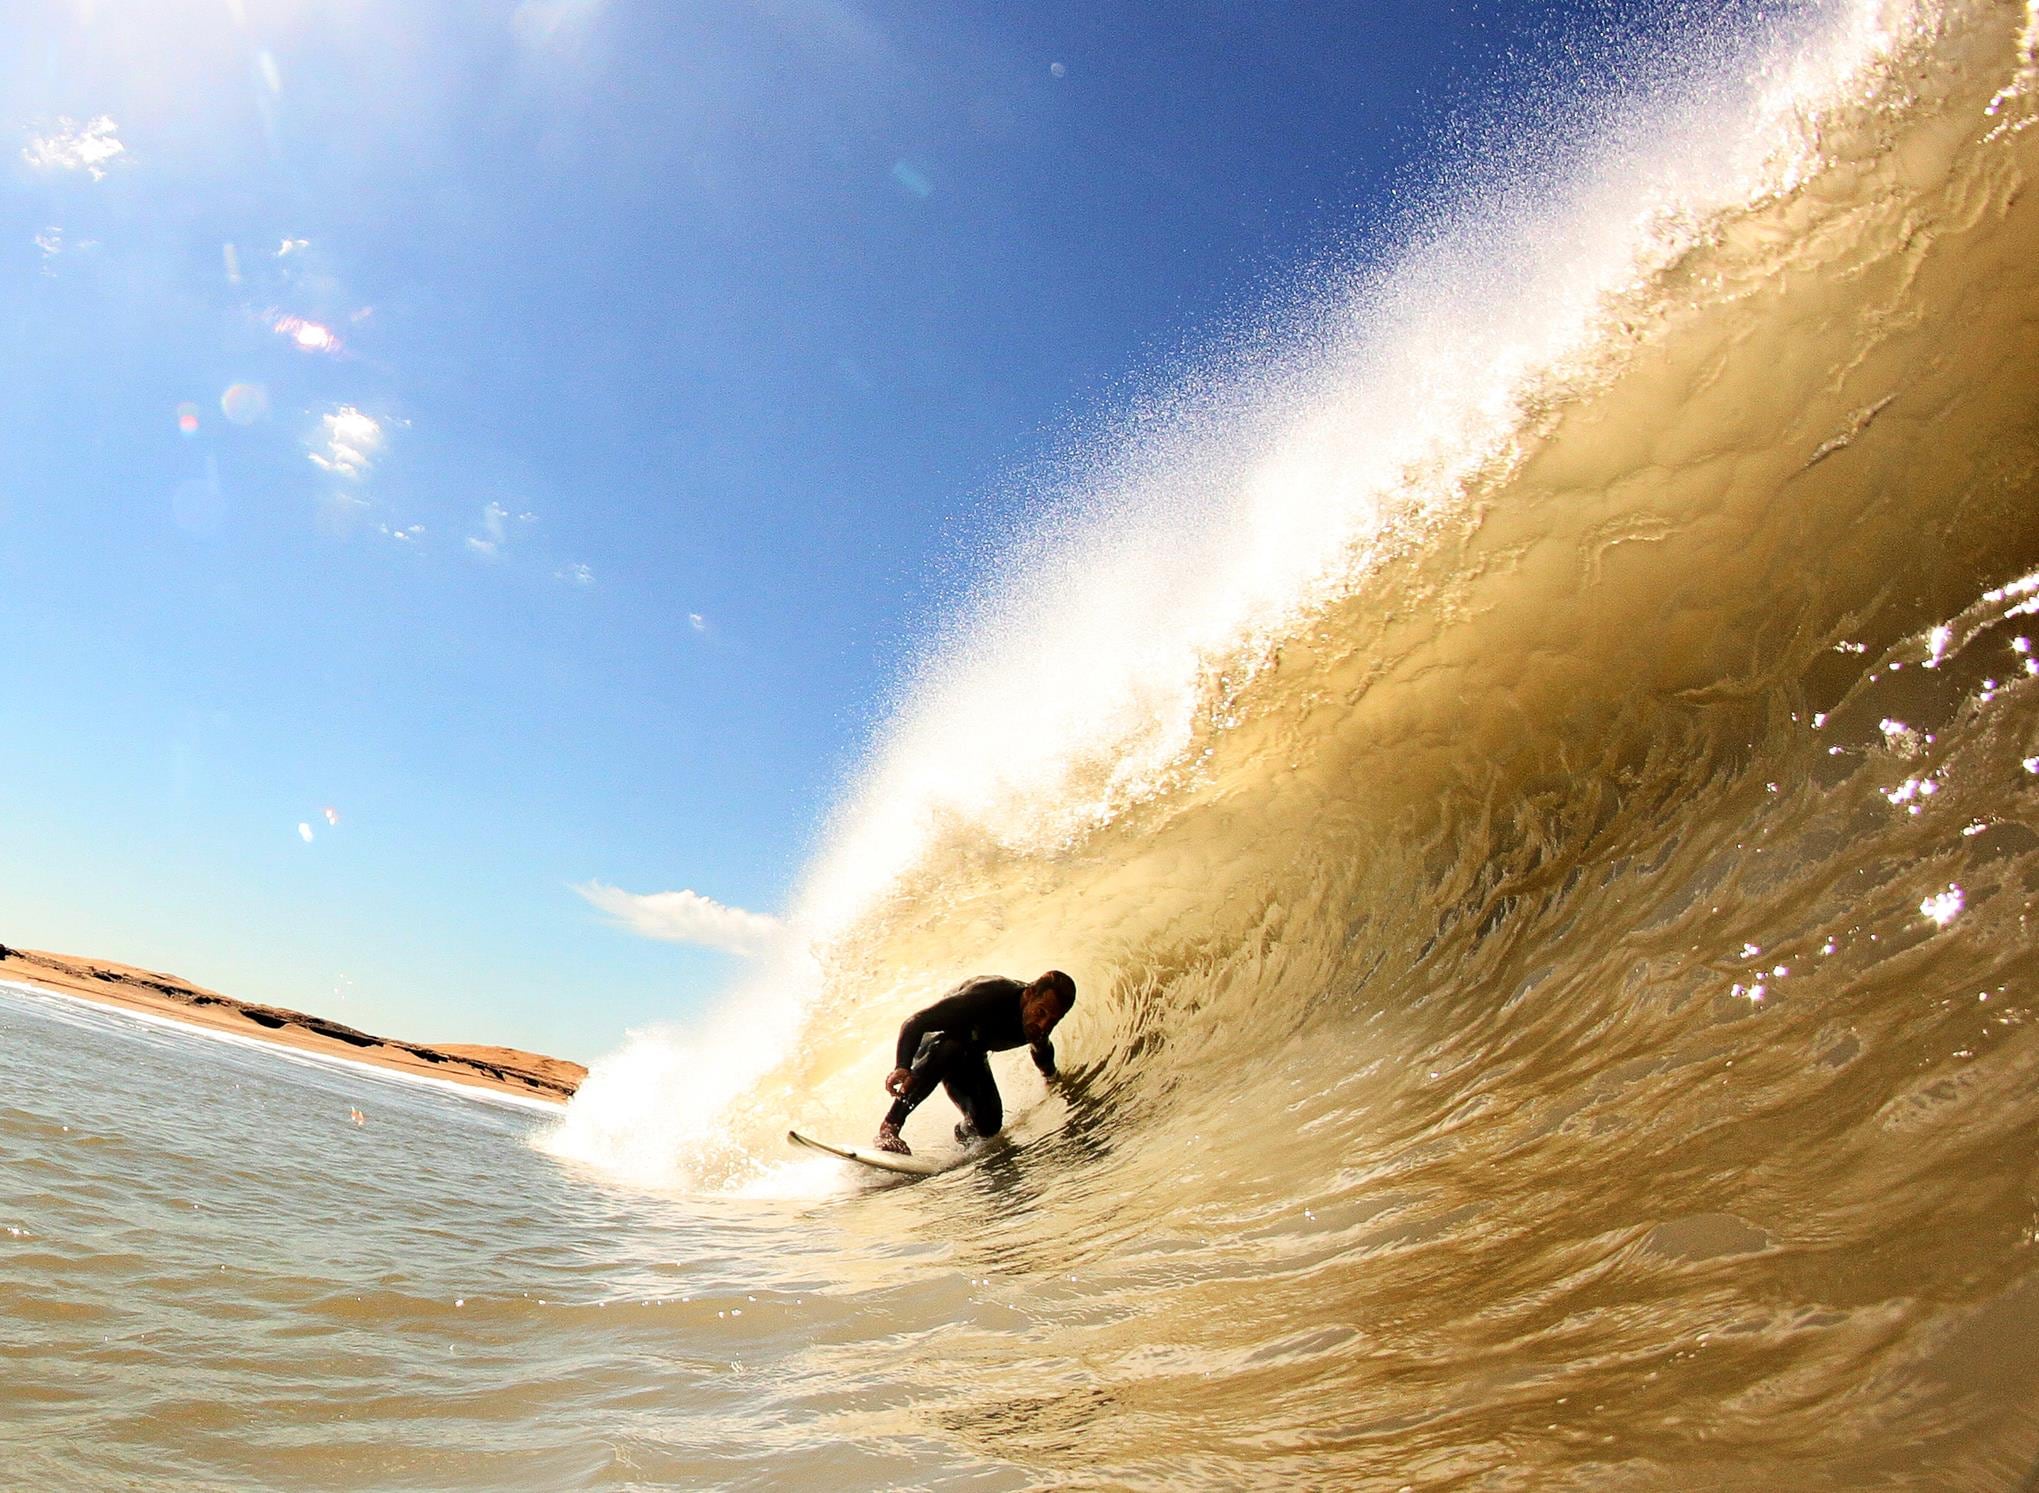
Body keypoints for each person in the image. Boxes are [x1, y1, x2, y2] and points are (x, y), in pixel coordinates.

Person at [873, 970, 1076, 1155]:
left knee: (989, 1126)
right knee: (951, 1047)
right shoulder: (988, 996)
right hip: (935, 1043)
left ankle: (964, 1133)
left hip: (971, 1053)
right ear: (1030, 994)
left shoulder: (1038, 1024)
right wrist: (902, 1066)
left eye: (1053, 1020)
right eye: (1041, 1013)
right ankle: (890, 1127)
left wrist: (1052, 1078)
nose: (1044, 1025)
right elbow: (916, 1022)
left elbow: (1042, 1050)